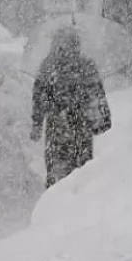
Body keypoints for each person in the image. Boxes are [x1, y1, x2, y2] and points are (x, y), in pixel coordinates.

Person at [31, 27, 111, 188]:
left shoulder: (48, 66)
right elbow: (97, 95)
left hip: (58, 126)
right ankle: (78, 195)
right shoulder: (86, 65)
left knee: (57, 167)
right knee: (82, 169)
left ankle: (56, 195)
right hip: (80, 125)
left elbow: (39, 97)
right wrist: (103, 119)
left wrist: (38, 123)